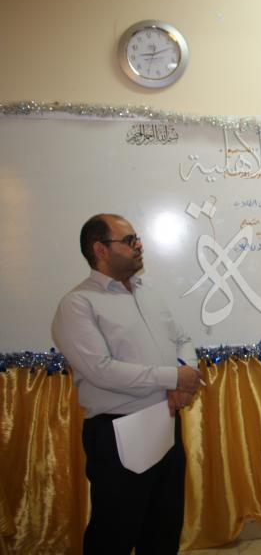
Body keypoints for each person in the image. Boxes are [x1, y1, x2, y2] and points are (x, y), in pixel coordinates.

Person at [51, 213, 203, 555]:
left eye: (138, 239)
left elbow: (182, 340)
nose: (139, 246)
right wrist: (172, 377)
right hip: (117, 433)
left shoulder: (149, 294)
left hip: (166, 422)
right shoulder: (78, 304)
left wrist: (183, 381)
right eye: (129, 240)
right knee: (114, 534)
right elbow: (101, 370)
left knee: (164, 528)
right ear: (100, 250)